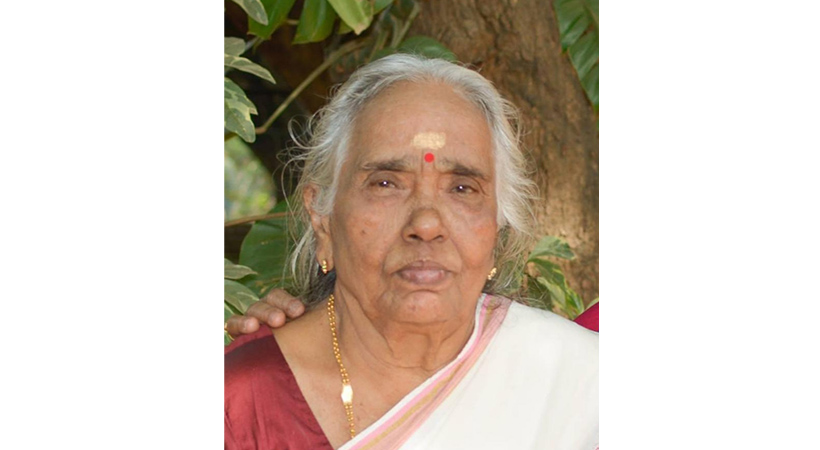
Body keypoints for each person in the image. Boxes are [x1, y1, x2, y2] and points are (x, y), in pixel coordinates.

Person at [224, 54, 598, 450]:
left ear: (498, 227)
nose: (426, 224)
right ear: (322, 218)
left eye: (462, 188)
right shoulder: (240, 402)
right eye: (386, 184)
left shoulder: (581, 386)